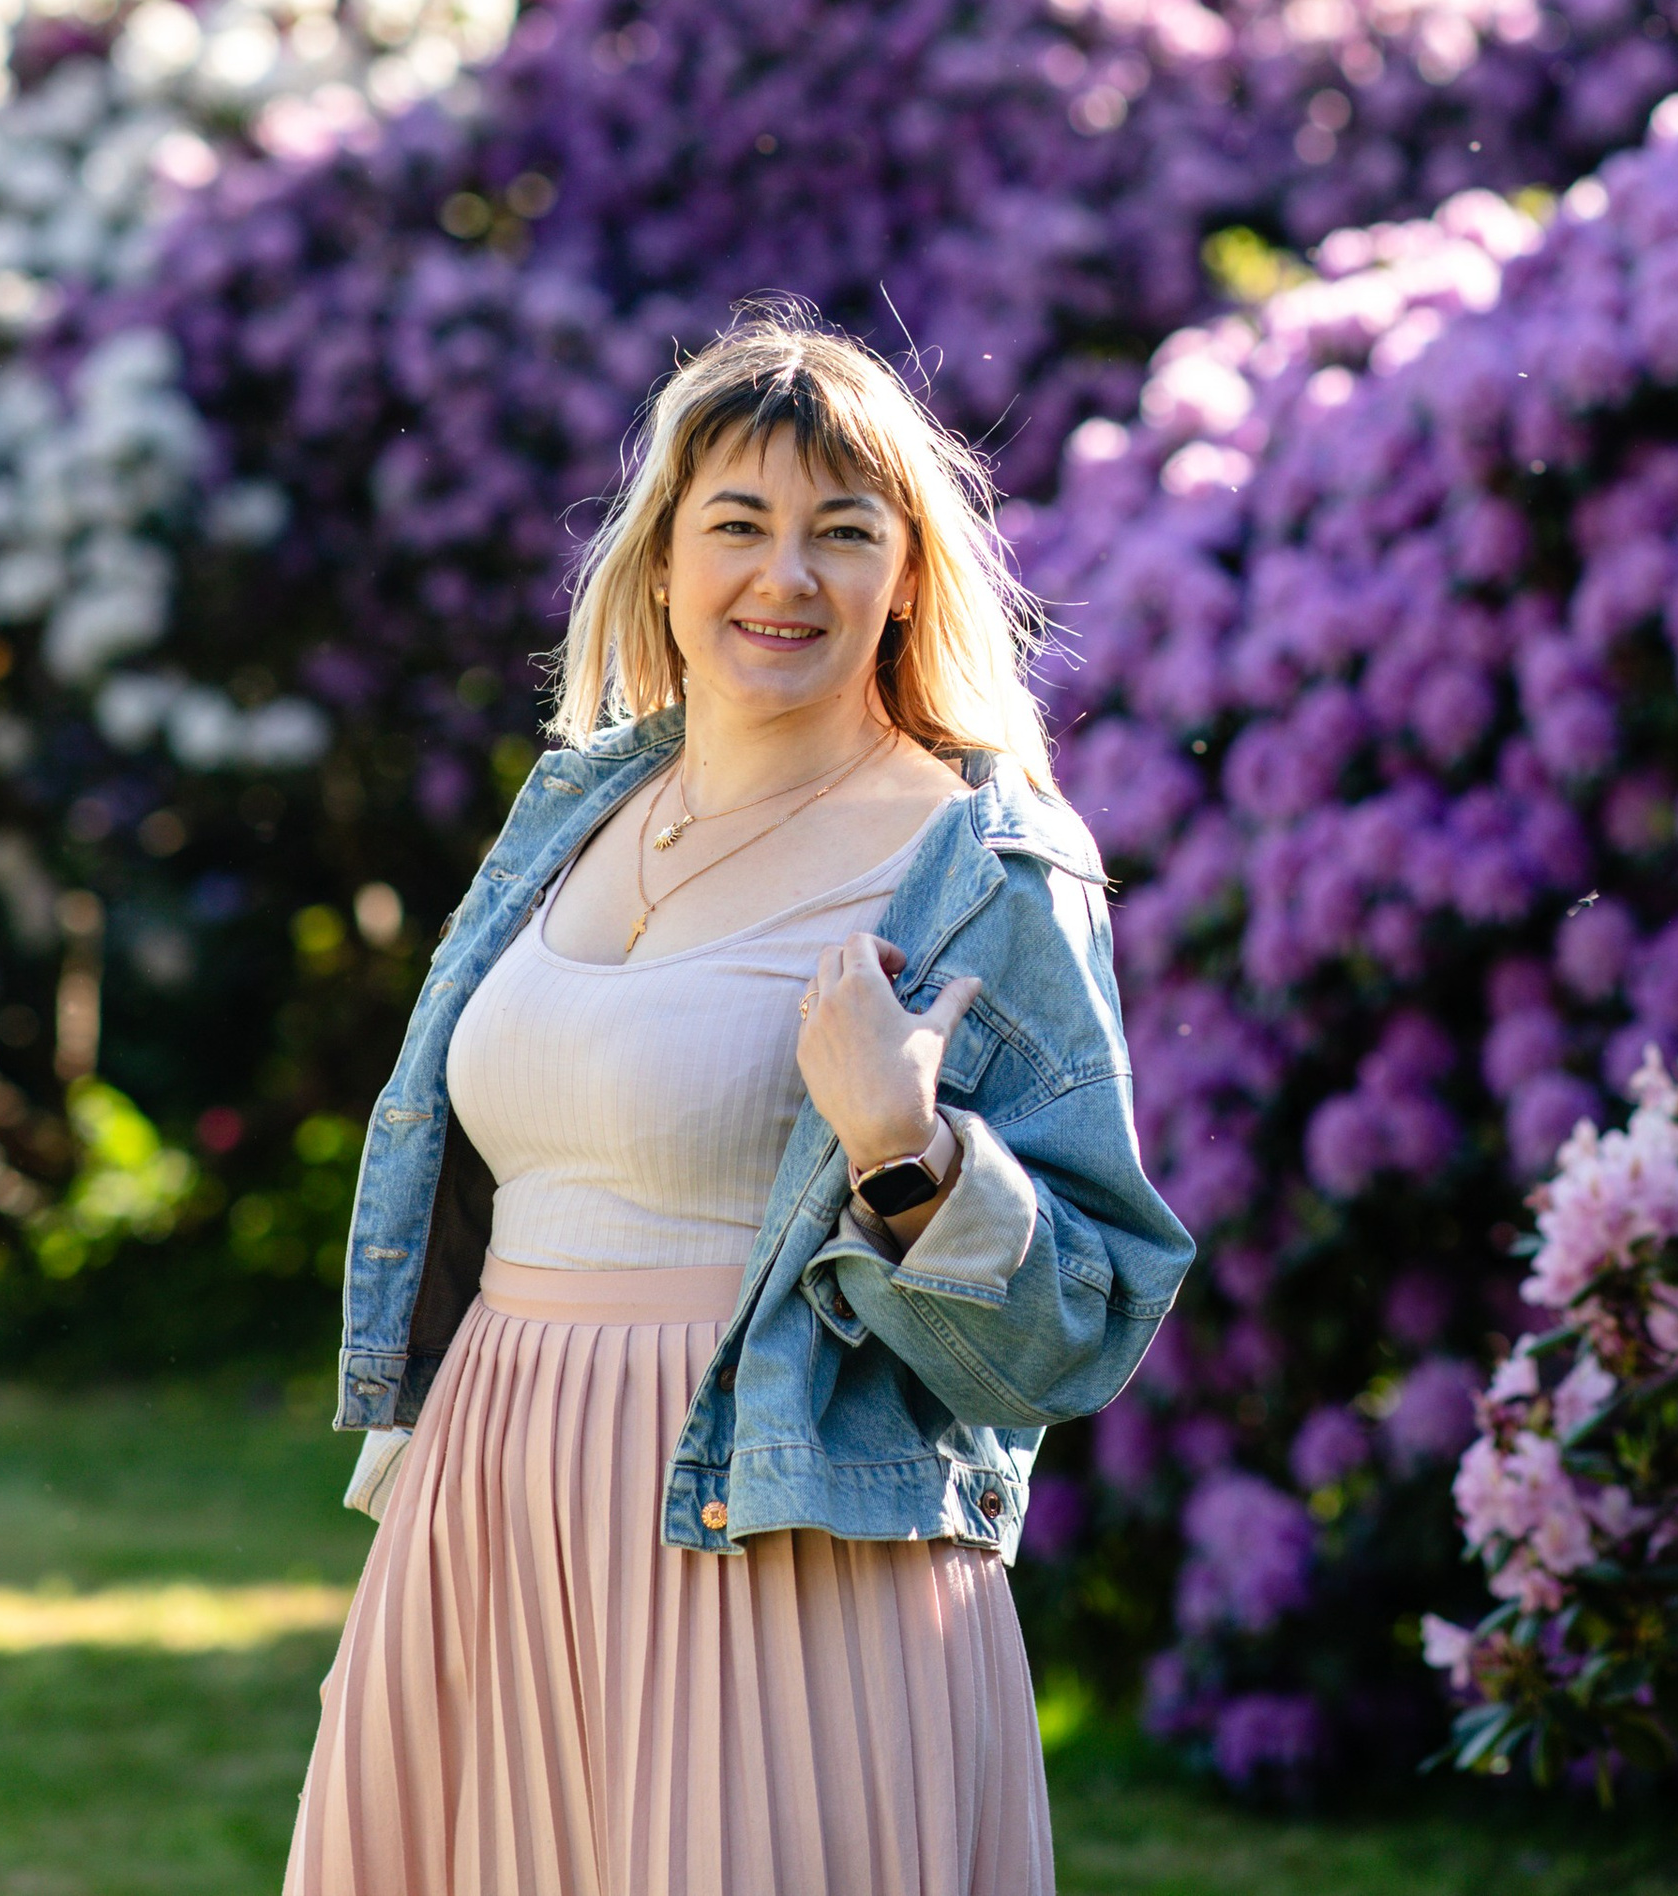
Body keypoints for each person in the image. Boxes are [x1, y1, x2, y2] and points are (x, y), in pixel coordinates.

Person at [286, 314, 1194, 1895]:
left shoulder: (983, 863)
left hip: (776, 1542)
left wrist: (909, 1154)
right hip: (493, 1502)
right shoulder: (574, 810)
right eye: (738, 525)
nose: (787, 577)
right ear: (658, 563)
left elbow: (1082, 1323)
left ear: (907, 575)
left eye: (843, 532)